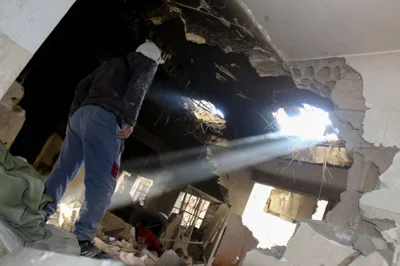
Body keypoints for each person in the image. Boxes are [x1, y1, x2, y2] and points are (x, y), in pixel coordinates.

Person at [43, 42, 162, 257]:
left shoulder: (113, 63)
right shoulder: (146, 63)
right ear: (153, 59)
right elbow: (139, 86)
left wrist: (74, 115)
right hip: (105, 120)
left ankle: (40, 213)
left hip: (81, 116)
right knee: (103, 181)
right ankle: (82, 239)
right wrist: (129, 119)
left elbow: (82, 86)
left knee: (63, 170)